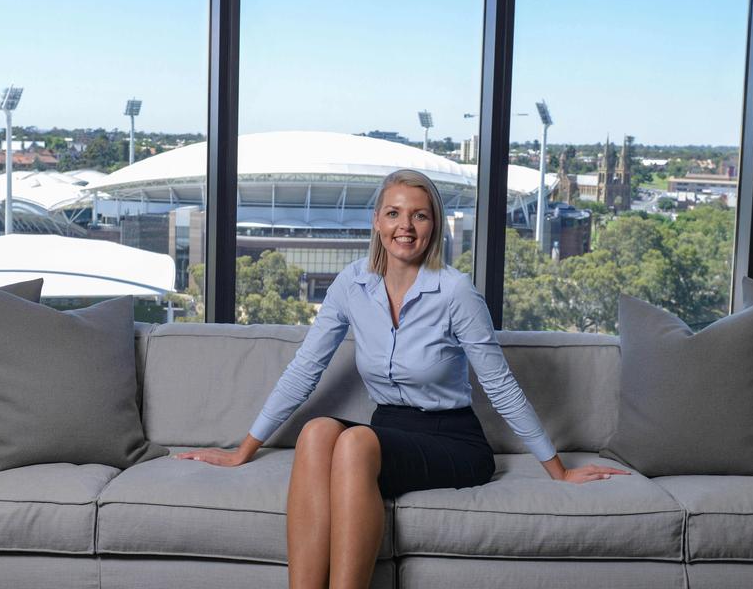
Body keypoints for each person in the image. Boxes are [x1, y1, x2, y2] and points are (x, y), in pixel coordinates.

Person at [175, 169, 627, 589]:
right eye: (393, 213)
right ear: (376, 221)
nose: (404, 226)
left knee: (354, 443)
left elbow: (501, 386)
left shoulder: (455, 292)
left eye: (419, 215)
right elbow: (304, 370)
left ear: (434, 227)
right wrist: (243, 451)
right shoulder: (351, 286)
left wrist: (559, 471)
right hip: (389, 432)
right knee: (316, 433)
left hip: (453, 440)